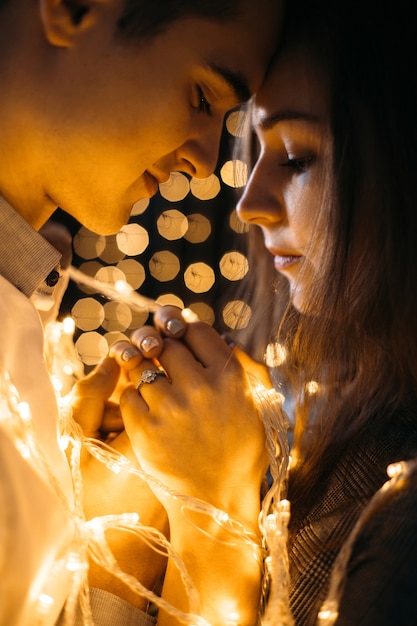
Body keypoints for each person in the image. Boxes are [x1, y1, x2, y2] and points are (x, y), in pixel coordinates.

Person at [109, 0, 417, 624]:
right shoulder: (313, 405)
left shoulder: (396, 516)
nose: (250, 204)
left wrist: (211, 508)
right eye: (256, 152)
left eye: (298, 157)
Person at [0, 0, 283, 623]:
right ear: (73, 10)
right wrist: (201, 516)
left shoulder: (27, 302)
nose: (208, 162)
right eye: (202, 97)